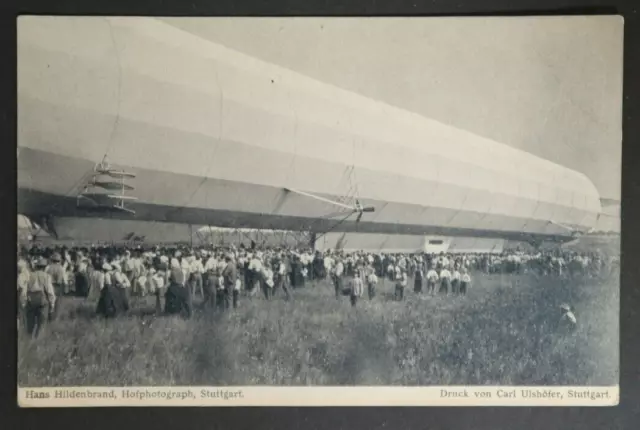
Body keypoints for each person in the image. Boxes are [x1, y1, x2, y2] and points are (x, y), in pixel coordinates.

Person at [22, 257, 56, 337]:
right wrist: (52, 305)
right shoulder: (46, 276)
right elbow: (50, 292)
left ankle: (28, 341)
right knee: (42, 325)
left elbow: (24, 291)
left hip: (30, 301)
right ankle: (38, 344)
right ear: (44, 267)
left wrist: (24, 302)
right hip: (42, 302)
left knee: (30, 325)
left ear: (37, 266)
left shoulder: (30, 275)